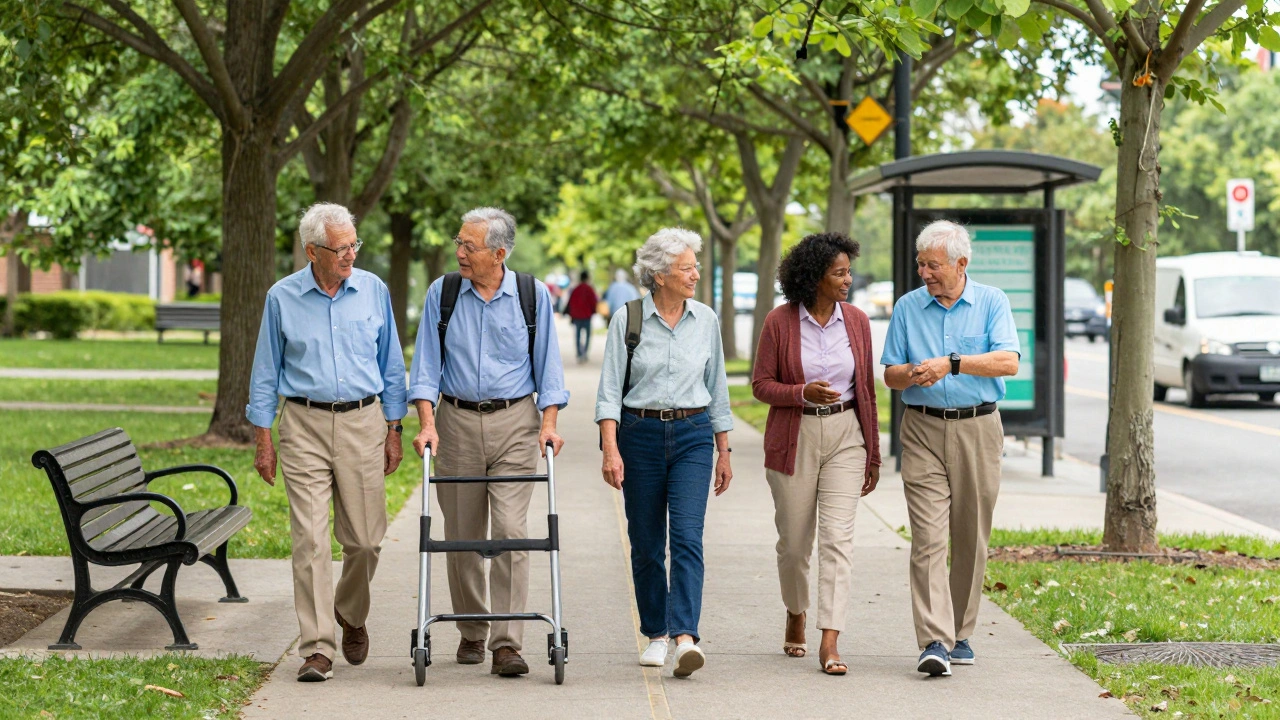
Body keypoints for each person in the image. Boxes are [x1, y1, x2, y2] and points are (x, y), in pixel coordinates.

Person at [247, 202, 407, 683]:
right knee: (311, 541)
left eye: (354, 245)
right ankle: (317, 647)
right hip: (303, 424)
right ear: (312, 251)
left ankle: (350, 612)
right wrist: (263, 438)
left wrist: (394, 429)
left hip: (363, 421)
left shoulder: (373, 290)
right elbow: (265, 371)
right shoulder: (282, 297)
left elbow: (391, 363)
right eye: (340, 249)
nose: (350, 255)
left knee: (365, 541)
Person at [407, 207, 569, 677]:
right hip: (455, 421)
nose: (460, 252)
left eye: (469, 246)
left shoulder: (530, 295)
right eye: (458, 242)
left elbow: (549, 369)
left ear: (498, 254)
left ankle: (507, 643)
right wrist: (427, 423)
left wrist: (549, 423)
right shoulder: (443, 293)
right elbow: (425, 369)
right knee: (461, 536)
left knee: (512, 533)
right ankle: (473, 629)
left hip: (515, 422)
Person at [879, 220, 1020, 677]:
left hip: (978, 428)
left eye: (933, 265)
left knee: (971, 537)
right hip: (921, 429)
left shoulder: (992, 302)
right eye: (920, 264)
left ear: (961, 264)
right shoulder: (907, 307)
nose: (924, 272)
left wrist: (952, 363)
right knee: (928, 539)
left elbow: (1008, 362)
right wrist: (912, 373)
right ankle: (934, 640)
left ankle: (960, 632)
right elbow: (890, 373)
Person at [595, 227, 733, 679]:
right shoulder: (628, 319)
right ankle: (656, 633)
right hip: (640, 435)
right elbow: (609, 391)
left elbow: (717, 389)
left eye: (695, 266)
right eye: (686, 268)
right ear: (658, 275)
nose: (695, 274)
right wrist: (611, 449)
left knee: (688, 537)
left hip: (693, 434)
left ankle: (685, 637)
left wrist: (724, 449)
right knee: (647, 542)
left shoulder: (705, 320)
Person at [751, 232, 881, 676]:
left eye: (848, 272)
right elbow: (760, 385)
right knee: (793, 545)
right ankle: (796, 609)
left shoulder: (857, 321)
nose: (848, 280)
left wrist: (873, 454)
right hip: (796, 434)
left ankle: (830, 638)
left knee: (837, 540)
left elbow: (866, 391)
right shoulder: (780, 321)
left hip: (846, 434)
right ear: (814, 277)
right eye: (839, 273)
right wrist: (800, 392)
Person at [565, 270, 598, 363]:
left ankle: (579, 353)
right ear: (587, 278)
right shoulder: (589, 289)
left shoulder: (576, 289)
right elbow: (594, 302)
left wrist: (572, 314)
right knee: (587, 335)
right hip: (587, 316)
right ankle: (585, 353)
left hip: (577, 316)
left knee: (578, 335)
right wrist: (593, 311)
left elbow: (571, 302)